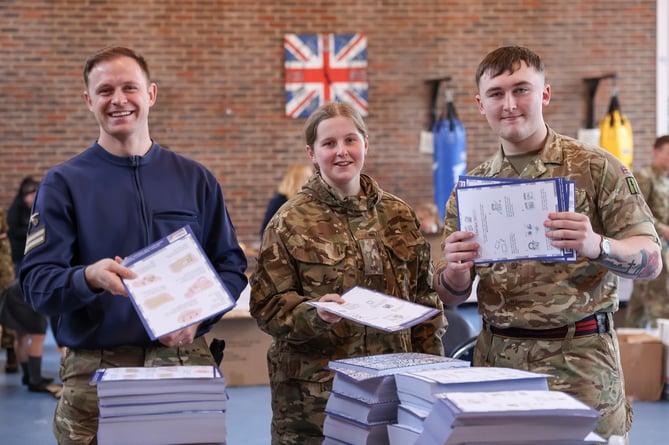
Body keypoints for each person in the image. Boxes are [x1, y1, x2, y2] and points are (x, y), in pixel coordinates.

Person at [19, 46, 248, 444]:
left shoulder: (195, 179)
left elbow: (230, 266)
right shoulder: (63, 184)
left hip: (183, 366)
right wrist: (87, 277)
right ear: (89, 100)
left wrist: (199, 319)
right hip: (97, 377)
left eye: (130, 87)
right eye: (105, 90)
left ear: (151, 94)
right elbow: (37, 286)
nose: (118, 100)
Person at [434, 46, 661, 442]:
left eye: (521, 89)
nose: (509, 104)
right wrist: (454, 271)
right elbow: (451, 296)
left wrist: (597, 245)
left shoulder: (595, 167)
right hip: (496, 367)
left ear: (545, 94)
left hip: (580, 364)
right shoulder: (471, 188)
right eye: (496, 93)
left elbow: (651, 259)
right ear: (479, 104)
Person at [250, 101, 446, 445]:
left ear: (365, 143)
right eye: (329, 144)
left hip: (395, 391)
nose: (341, 152)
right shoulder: (288, 222)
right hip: (317, 402)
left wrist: (432, 377)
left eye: (350, 140)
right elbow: (267, 307)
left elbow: (424, 300)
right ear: (312, 153)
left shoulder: (398, 214)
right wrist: (315, 313)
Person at [626, 135, 669, 328]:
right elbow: (638, 212)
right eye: (667, 154)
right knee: (655, 299)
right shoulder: (644, 177)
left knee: (640, 300)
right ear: (656, 152)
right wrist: (663, 229)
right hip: (650, 245)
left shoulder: (666, 179)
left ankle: (637, 348)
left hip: (664, 246)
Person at [259, 163, 313, 237]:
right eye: (308, 177)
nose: (311, 181)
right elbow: (266, 232)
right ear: (298, 180)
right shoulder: (279, 201)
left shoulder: (310, 200)